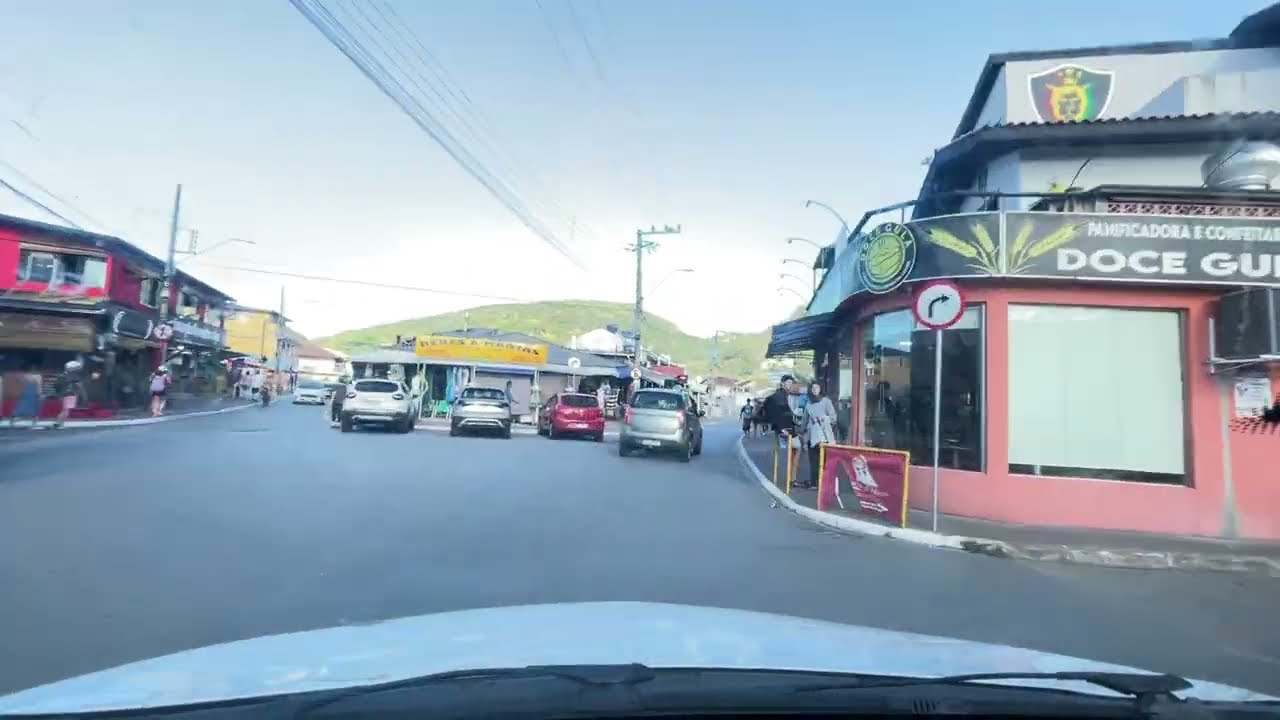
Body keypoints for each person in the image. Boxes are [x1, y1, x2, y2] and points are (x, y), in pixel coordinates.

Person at [800, 382, 838, 489]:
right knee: (813, 460)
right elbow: (804, 420)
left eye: (816, 388)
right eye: (812, 388)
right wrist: (801, 431)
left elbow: (833, 418)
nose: (814, 390)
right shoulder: (808, 404)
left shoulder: (826, 402)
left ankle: (825, 482)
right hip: (812, 435)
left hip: (825, 435)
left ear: (820, 389)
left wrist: (823, 418)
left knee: (825, 460)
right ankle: (814, 482)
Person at [52, 360, 84, 429]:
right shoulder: (74, 375)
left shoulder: (62, 374)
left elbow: (56, 385)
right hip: (70, 394)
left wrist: (58, 394)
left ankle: (57, 423)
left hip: (61, 394)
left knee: (64, 409)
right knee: (66, 410)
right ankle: (60, 424)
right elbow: (79, 385)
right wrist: (80, 392)